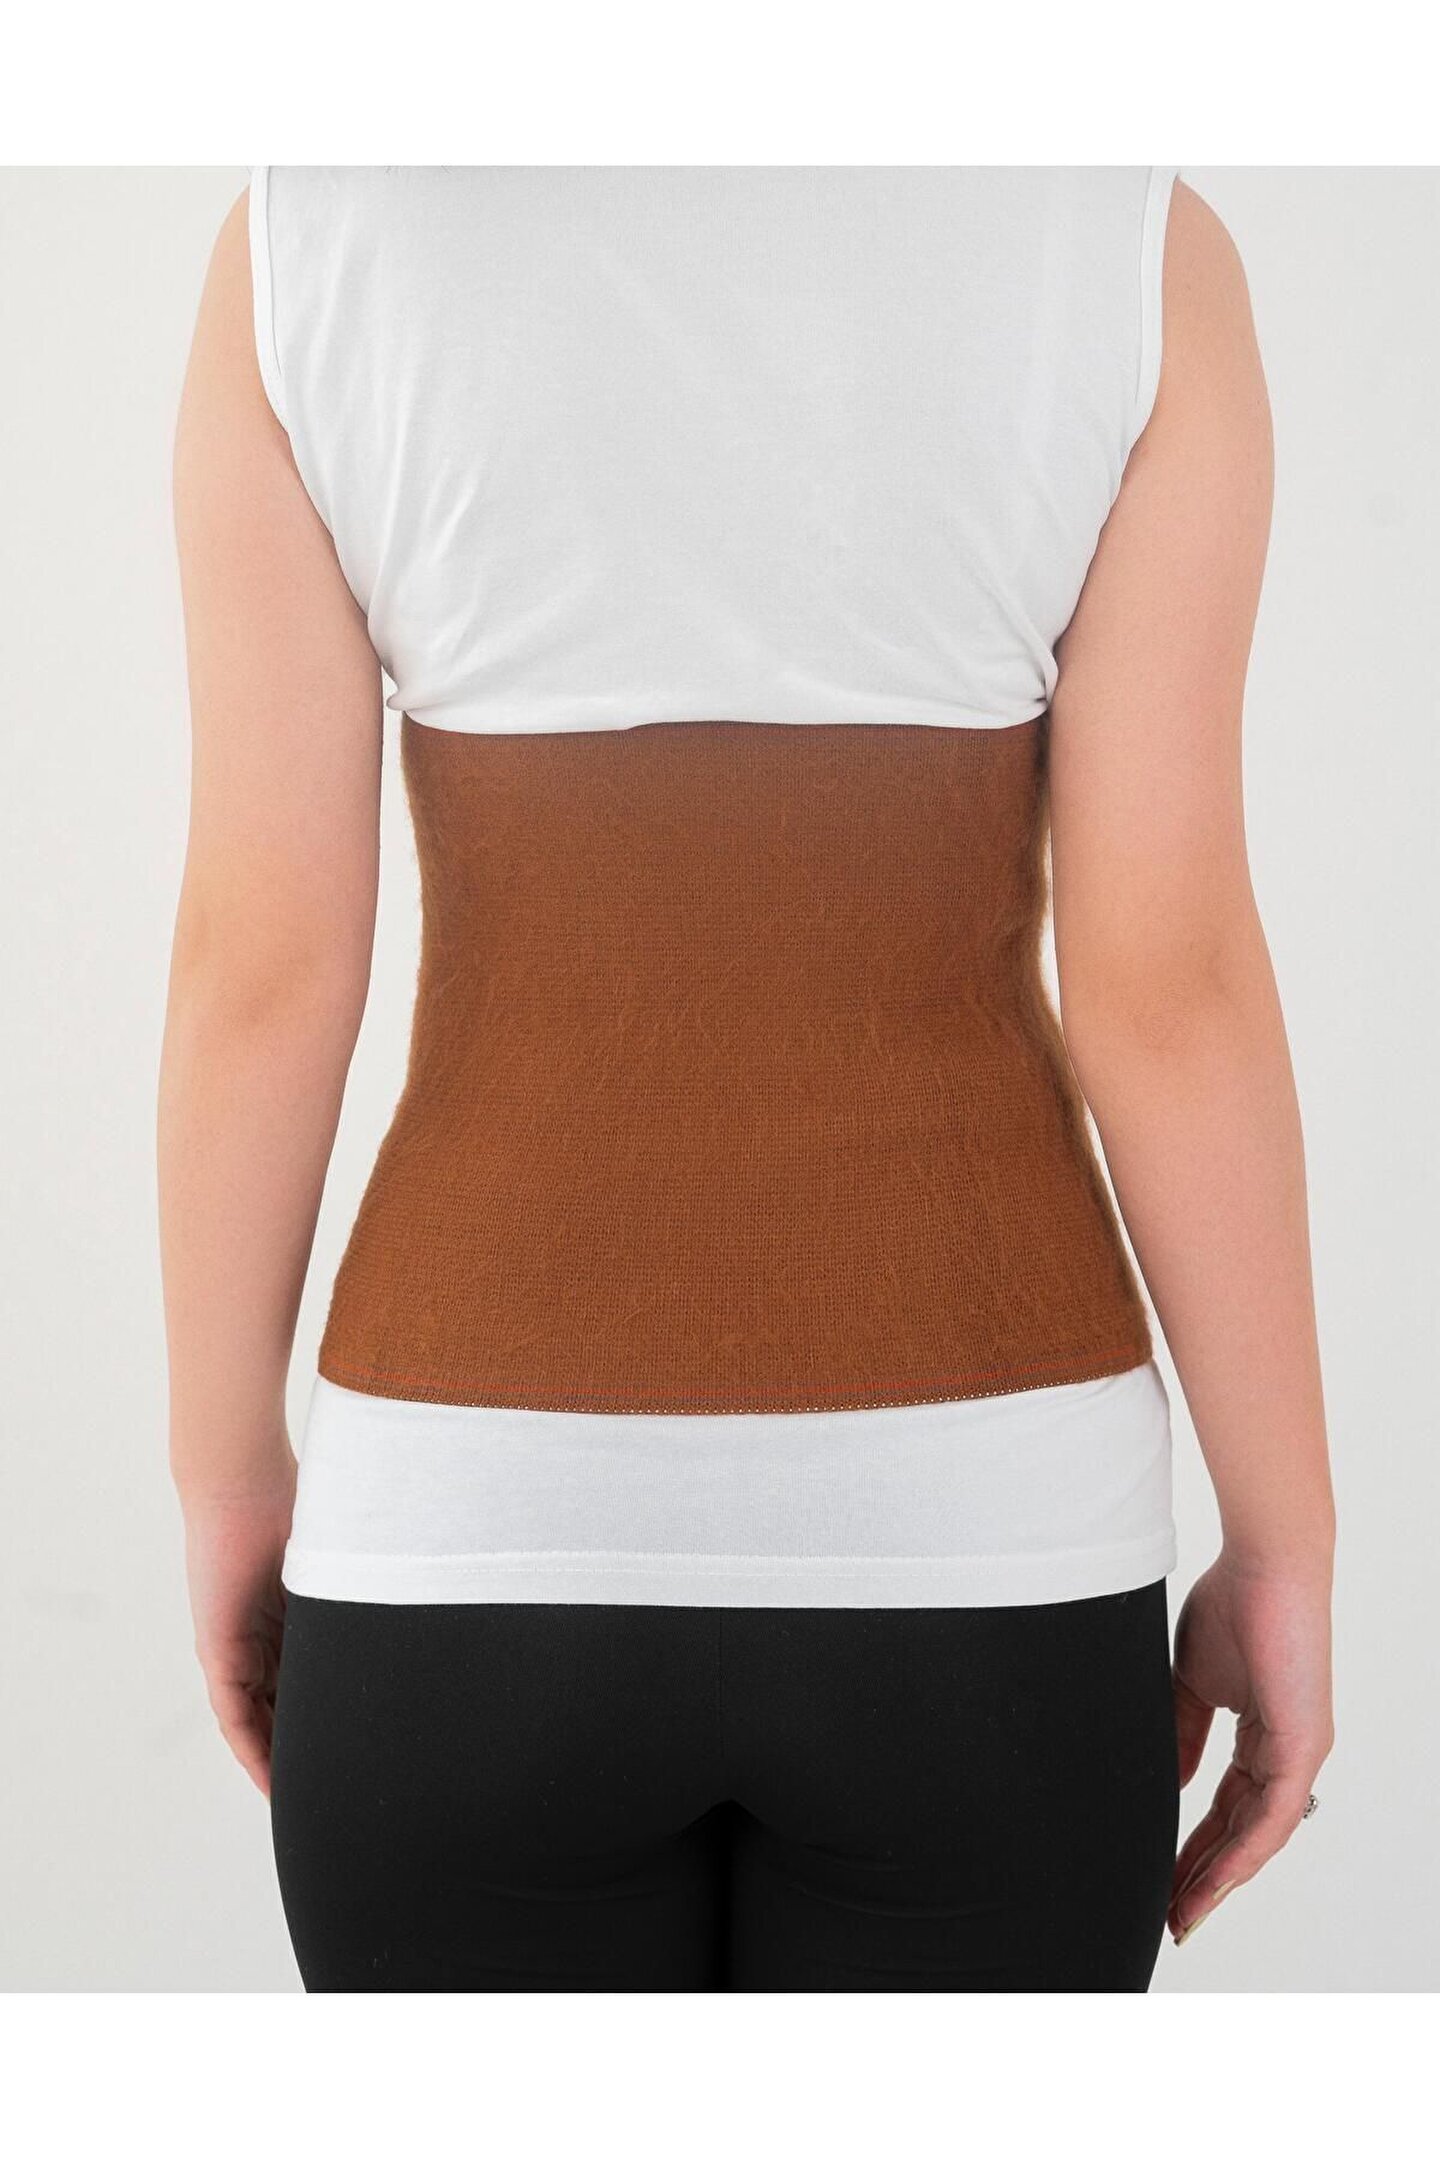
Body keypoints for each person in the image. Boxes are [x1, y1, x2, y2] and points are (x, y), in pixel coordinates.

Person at [160, 167, 1335, 1992]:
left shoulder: (312, 238)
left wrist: (226, 1471)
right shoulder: (1131, 245)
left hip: (469, 1532)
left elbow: (264, 969)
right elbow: (1163, 990)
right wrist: (1283, 1544)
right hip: (987, 1548)